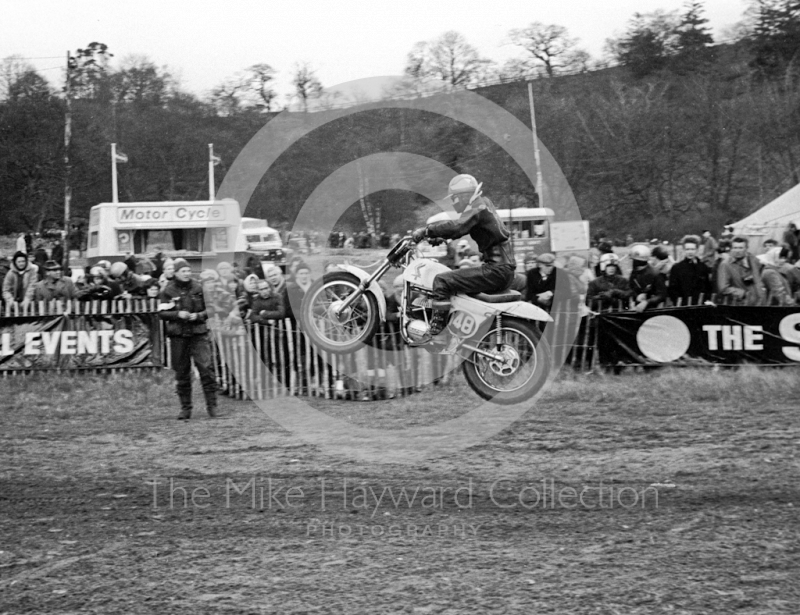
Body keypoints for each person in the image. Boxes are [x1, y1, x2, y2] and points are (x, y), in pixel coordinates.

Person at [411, 174, 516, 335]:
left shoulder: (477, 207)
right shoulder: (483, 205)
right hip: (503, 269)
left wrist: (427, 231)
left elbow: (458, 227)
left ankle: (437, 330)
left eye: (454, 198)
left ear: (464, 195)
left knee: (442, 280)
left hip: (496, 270)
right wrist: (440, 237)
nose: (454, 202)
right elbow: (465, 228)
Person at [158, 258, 218, 420]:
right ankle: (186, 408)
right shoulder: (167, 291)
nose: (187, 273)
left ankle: (212, 406)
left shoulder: (199, 288)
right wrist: (178, 314)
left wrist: (198, 316)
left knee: (206, 369)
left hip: (198, 334)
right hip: (178, 336)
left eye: (188, 270)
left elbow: (210, 309)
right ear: (176, 273)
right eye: (183, 271)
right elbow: (162, 313)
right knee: (182, 373)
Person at [717, 236, 765, 306]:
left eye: (740, 248)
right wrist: (743, 294)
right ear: (731, 248)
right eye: (735, 248)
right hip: (740, 305)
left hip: (759, 302)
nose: (737, 251)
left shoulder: (753, 260)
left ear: (746, 248)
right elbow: (723, 288)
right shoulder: (725, 264)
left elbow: (760, 277)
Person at [668, 235, 712, 305]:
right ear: (683, 250)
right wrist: (679, 302)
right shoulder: (677, 268)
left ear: (697, 250)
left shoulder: (703, 267)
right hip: (682, 306)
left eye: (692, 249)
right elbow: (672, 289)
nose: (690, 252)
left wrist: (706, 301)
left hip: (699, 306)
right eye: (687, 249)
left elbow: (708, 287)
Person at [628, 245, 667, 312]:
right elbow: (631, 287)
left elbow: (662, 295)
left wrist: (647, 302)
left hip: (653, 309)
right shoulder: (634, 272)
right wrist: (636, 296)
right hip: (637, 308)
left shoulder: (655, 273)